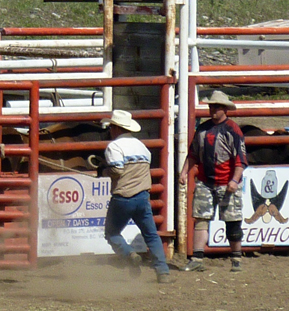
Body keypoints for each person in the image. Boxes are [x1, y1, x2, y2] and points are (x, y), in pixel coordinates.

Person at [100, 110, 173, 284]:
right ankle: (162, 271)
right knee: (151, 235)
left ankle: (129, 254)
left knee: (112, 233)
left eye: (111, 127)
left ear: (116, 128)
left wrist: (103, 171)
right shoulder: (142, 147)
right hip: (142, 197)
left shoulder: (114, 147)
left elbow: (117, 169)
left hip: (123, 197)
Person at [179, 90, 247, 273]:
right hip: (205, 181)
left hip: (226, 182)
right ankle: (197, 258)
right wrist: (184, 172)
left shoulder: (232, 129)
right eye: (211, 106)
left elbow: (240, 159)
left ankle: (236, 258)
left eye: (216, 107)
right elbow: (193, 154)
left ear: (224, 109)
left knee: (232, 221)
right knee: (201, 219)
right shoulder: (202, 129)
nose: (212, 110)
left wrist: (234, 179)